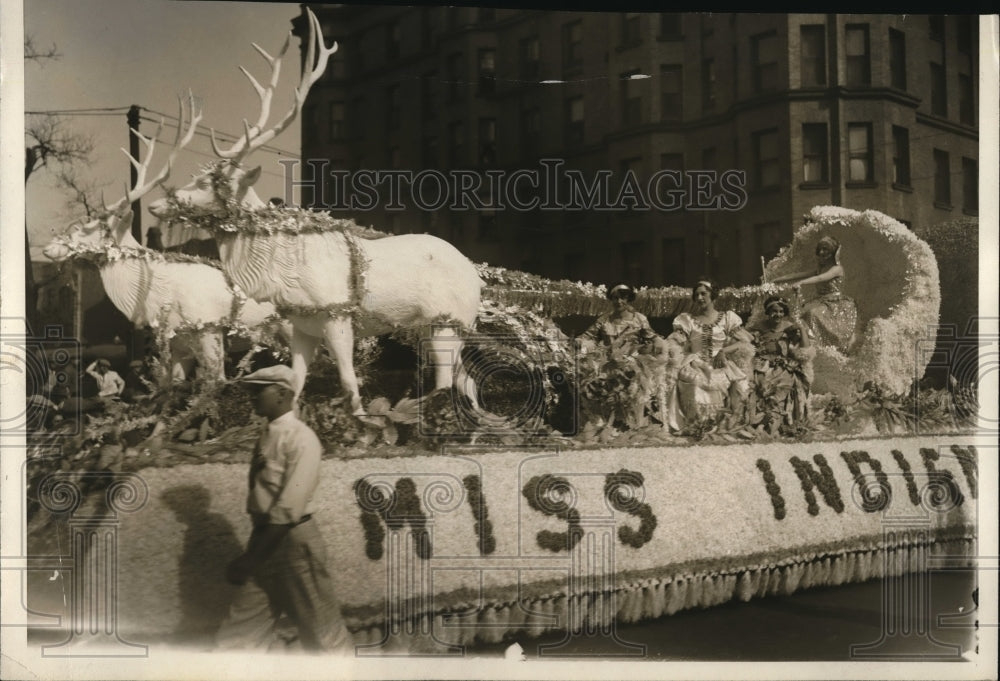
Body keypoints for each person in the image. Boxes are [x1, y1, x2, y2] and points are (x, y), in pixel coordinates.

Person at [215, 364, 354, 654]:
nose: (252, 397)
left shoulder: (301, 438)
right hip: (265, 538)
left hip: (292, 541)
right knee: (238, 635)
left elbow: (290, 507)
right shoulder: (269, 433)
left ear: (281, 394)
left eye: (258, 391)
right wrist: (255, 552)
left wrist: (251, 559)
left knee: (323, 636)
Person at [665, 279, 754, 432]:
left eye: (703, 294)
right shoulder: (687, 320)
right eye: (696, 295)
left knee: (729, 383)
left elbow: (745, 342)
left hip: (721, 364)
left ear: (713, 295)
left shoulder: (727, 318)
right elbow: (674, 342)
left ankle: (720, 423)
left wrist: (723, 351)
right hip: (695, 363)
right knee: (694, 382)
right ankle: (697, 425)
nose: (699, 298)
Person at [577, 284, 668, 428]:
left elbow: (653, 337)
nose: (619, 302)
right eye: (615, 298)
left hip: (633, 361)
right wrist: (580, 342)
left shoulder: (639, 319)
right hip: (608, 362)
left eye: (623, 298)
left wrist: (656, 345)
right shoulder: (604, 319)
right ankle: (605, 423)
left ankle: (632, 422)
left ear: (629, 299)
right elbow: (589, 336)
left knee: (635, 379)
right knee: (591, 379)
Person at [770, 235, 858, 354]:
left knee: (812, 314)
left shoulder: (837, 269)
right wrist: (778, 279)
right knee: (800, 315)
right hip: (822, 301)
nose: (821, 252)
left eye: (825, 249)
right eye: (820, 249)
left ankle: (825, 347)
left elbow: (820, 278)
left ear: (832, 252)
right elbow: (799, 275)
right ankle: (806, 345)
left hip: (836, 305)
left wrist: (801, 283)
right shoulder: (820, 268)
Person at [746, 296, 815, 429]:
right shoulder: (759, 327)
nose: (778, 314)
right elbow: (745, 340)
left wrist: (801, 329)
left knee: (785, 381)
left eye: (781, 311)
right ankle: (763, 419)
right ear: (767, 312)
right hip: (762, 365)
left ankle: (779, 419)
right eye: (774, 311)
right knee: (762, 383)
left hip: (784, 366)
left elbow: (805, 349)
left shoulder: (789, 327)